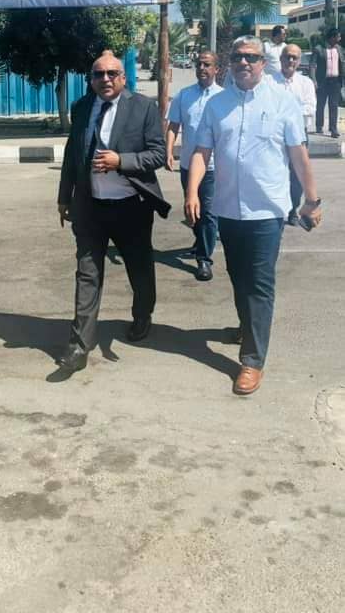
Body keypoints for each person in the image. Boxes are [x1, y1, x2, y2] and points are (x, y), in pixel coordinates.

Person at [185, 36, 322, 396]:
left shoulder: (283, 101)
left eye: (251, 57)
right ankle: (247, 327)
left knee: (259, 283)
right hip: (228, 210)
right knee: (238, 276)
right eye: (237, 57)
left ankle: (252, 360)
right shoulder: (216, 105)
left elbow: (298, 154)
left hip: (266, 211)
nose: (243, 62)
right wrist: (192, 191)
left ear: (263, 62)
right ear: (229, 63)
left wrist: (312, 200)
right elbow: (201, 151)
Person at [57, 51, 170, 374]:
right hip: (90, 207)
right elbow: (72, 154)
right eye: (98, 74)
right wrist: (64, 197)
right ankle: (79, 346)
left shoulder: (143, 107)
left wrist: (121, 161)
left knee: (139, 268)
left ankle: (143, 314)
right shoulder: (82, 107)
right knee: (87, 274)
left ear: (123, 77)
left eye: (111, 74)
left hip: (131, 207)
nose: (105, 79)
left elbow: (158, 154)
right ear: (91, 79)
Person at [165, 51, 221, 281]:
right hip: (188, 165)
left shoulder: (223, 97)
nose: (202, 68)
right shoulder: (184, 95)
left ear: (216, 69)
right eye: (199, 64)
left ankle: (204, 259)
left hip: (213, 167)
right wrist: (169, 151)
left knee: (208, 212)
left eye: (207, 64)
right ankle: (201, 242)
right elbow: (173, 126)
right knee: (192, 209)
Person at [274, 43, 316, 225]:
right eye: (287, 56)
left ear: (299, 61)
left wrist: (286, 112)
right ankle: (276, 210)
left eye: (294, 57)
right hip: (274, 134)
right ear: (281, 59)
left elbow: (310, 108)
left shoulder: (305, 83)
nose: (290, 60)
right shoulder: (269, 81)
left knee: (297, 175)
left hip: (299, 135)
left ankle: (292, 210)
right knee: (274, 172)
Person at [310, 27, 345, 138]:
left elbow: (342, 64)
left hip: (336, 81)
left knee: (334, 105)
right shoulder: (319, 49)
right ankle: (319, 126)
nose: (340, 39)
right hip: (322, 81)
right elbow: (312, 65)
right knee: (320, 104)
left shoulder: (339, 49)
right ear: (332, 37)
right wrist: (314, 80)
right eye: (338, 37)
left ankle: (333, 129)